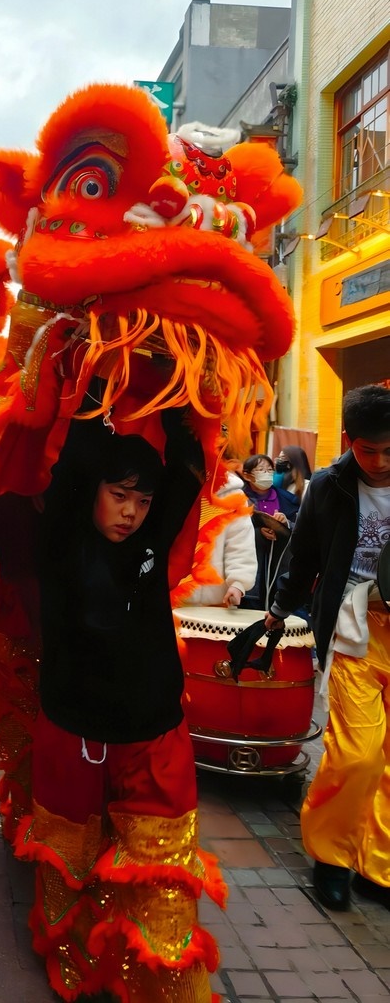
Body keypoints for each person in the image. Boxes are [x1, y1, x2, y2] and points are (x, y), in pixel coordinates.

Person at [0, 407, 223, 1002]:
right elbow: (75, 465)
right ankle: (80, 971)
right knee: (69, 869)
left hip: (153, 734)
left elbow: (187, 472)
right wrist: (92, 393)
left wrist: (174, 401)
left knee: (164, 875)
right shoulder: (59, 545)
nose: (130, 513)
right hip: (75, 735)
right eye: (119, 496)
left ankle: (159, 980)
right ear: (92, 492)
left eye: (142, 502)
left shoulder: (148, 543)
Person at [266, 383, 390, 913]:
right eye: (369, 450)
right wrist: (276, 609)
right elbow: (304, 554)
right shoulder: (329, 486)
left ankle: (376, 864)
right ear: (348, 440)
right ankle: (332, 856)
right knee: (357, 754)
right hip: (353, 630)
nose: (381, 462)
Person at [182, 467, 257, 608]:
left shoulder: (232, 495)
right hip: (172, 600)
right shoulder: (171, 488)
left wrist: (238, 583)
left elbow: (240, 544)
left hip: (217, 602)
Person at [240, 454, 292, 610]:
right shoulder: (238, 498)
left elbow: (300, 528)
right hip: (250, 563)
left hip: (278, 564)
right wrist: (258, 532)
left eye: (270, 470)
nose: (266, 473)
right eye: (261, 469)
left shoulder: (287, 499)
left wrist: (285, 523)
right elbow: (232, 529)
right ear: (247, 475)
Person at [272, 443, 312, 522]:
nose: (279, 461)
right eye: (279, 458)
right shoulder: (277, 482)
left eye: (283, 458)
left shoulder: (307, 486)